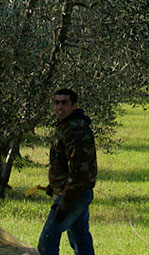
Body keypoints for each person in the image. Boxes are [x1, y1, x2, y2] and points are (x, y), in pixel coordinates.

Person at [38, 88, 98, 255]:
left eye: (64, 103)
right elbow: (64, 163)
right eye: (56, 103)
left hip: (74, 194)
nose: (59, 107)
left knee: (47, 240)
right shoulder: (68, 126)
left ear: (74, 106)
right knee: (80, 237)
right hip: (77, 192)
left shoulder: (75, 130)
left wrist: (65, 201)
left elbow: (80, 172)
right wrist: (54, 185)